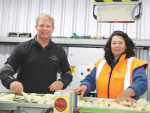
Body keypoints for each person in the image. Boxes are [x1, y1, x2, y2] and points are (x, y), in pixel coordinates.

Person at [0, 13, 73, 94]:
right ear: (36, 27)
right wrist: (11, 81)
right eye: (41, 25)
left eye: (48, 26)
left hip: (48, 100)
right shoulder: (22, 47)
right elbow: (5, 70)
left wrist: (61, 82)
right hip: (24, 99)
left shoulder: (59, 51)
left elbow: (68, 74)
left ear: (53, 29)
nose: (45, 29)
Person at [73, 30, 148, 104]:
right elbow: (90, 80)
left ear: (126, 46)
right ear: (110, 46)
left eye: (121, 43)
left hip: (125, 107)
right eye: (114, 43)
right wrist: (84, 86)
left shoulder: (134, 63)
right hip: (103, 107)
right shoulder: (101, 63)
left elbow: (141, 83)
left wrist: (127, 93)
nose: (117, 46)